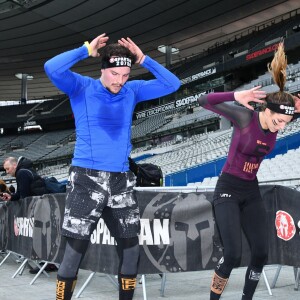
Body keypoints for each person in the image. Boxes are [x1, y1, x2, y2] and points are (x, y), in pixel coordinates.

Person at [44, 33, 180, 300]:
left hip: (121, 181)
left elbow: (172, 84)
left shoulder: (133, 90)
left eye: (125, 75)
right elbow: (51, 67)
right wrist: (84, 50)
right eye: (115, 74)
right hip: (86, 179)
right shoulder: (81, 87)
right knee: (74, 252)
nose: (119, 81)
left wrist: (144, 59)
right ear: (103, 69)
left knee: (131, 248)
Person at [197, 43, 298, 300]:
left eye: (285, 124)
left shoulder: (280, 121)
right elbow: (203, 100)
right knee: (232, 254)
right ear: (267, 109)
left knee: (261, 253)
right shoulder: (244, 118)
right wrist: (235, 95)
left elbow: (291, 110)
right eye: (278, 121)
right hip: (228, 189)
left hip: (251, 191)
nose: (280, 128)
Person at [1, 156, 58, 273]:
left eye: (8, 169)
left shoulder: (21, 173)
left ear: (14, 165)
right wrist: (11, 197)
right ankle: (48, 262)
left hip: (40, 208)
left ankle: (49, 263)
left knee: (41, 236)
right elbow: (21, 194)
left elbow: (24, 197)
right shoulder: (24, 171)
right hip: (43, 206)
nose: (7, 172)